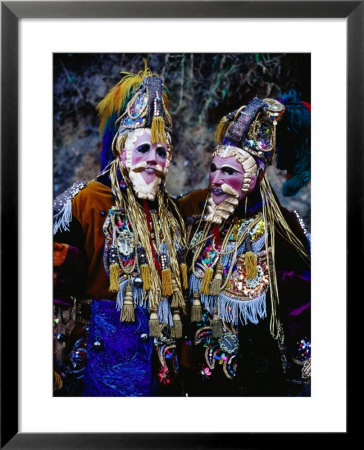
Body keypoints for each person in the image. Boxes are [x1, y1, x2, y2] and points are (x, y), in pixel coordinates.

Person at [53, 61, 188, 397]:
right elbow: (54, 287)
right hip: (95, 356)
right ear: (120, 150)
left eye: (162, 151)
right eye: (143, 148)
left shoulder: (172, 212)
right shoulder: (86, 201)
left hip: (159, 360)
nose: (153, 159)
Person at [178, 96, 311, 396]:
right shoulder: (203, 226)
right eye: (214, 169)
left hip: (256, 381)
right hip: (203, 381)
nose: (216, 179)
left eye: (229, 172)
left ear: (254, 178)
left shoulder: (281, 227)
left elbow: (303, 303)